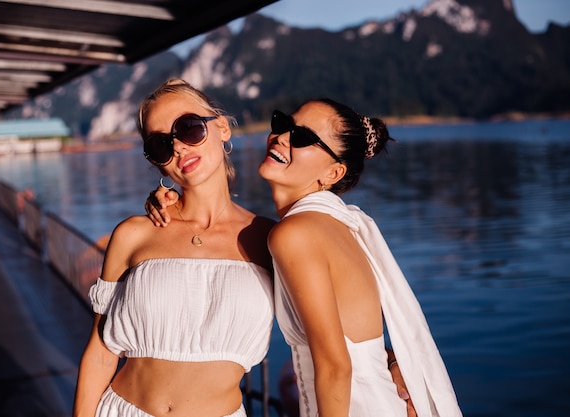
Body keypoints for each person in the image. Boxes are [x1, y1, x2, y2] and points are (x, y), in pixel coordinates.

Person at [147, 97, 461, 416]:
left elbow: (336, 367)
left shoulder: (295, 234)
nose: (282, 137)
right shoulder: (336, 226)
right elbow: (357, 339)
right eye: (283, 124)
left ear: (333, 173)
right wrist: (393, 359)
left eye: (303, 137)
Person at [73, 79, 276, 417]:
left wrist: (393, 360)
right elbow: (100, 352)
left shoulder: (268, 239)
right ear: (155, 162)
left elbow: (330, 325)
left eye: (189, 128)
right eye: (160, 144)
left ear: (222, 128)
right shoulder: (134, 234)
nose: (179, 147)